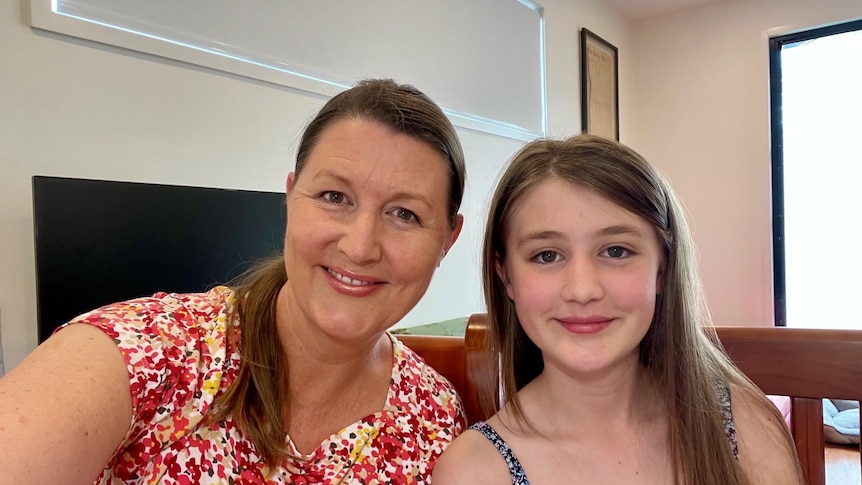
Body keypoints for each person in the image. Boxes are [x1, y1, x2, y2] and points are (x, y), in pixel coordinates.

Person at [0, 79, 467, 484]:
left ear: (448, 239)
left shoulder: (435, 420)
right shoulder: (150, 352)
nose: (361, 245)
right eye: (334, 196)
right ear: (290, 197)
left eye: (404, 213)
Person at [432, 134, 803, 484]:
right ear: (506, 276)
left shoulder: (745, 427)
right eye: (546, 255)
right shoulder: (473, 470)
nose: (582, 289)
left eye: (616, 251)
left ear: (663, 268)